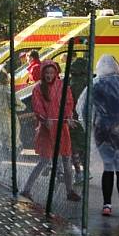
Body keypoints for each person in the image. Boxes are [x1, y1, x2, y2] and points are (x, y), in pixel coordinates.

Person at [77, 55, 119, 216]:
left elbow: (83, 109)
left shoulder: (94, 84)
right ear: (116, 66)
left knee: (108, 167)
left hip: (101, 130)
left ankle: (106, 205)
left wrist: (90, 126)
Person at [19, 60, 81, 202]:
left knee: (66, 159)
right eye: (47, 73)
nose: (49, 75)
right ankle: (26, 190)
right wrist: (43, 119)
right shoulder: (38, 88)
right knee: (44, 160)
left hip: (62, 128)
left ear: (56, 73)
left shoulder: (62, 86)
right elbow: (37, 106)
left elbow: (68, 102)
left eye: (52, 73)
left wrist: (69, 117)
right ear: (42, 73)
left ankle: (69, 191)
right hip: (47, 130)